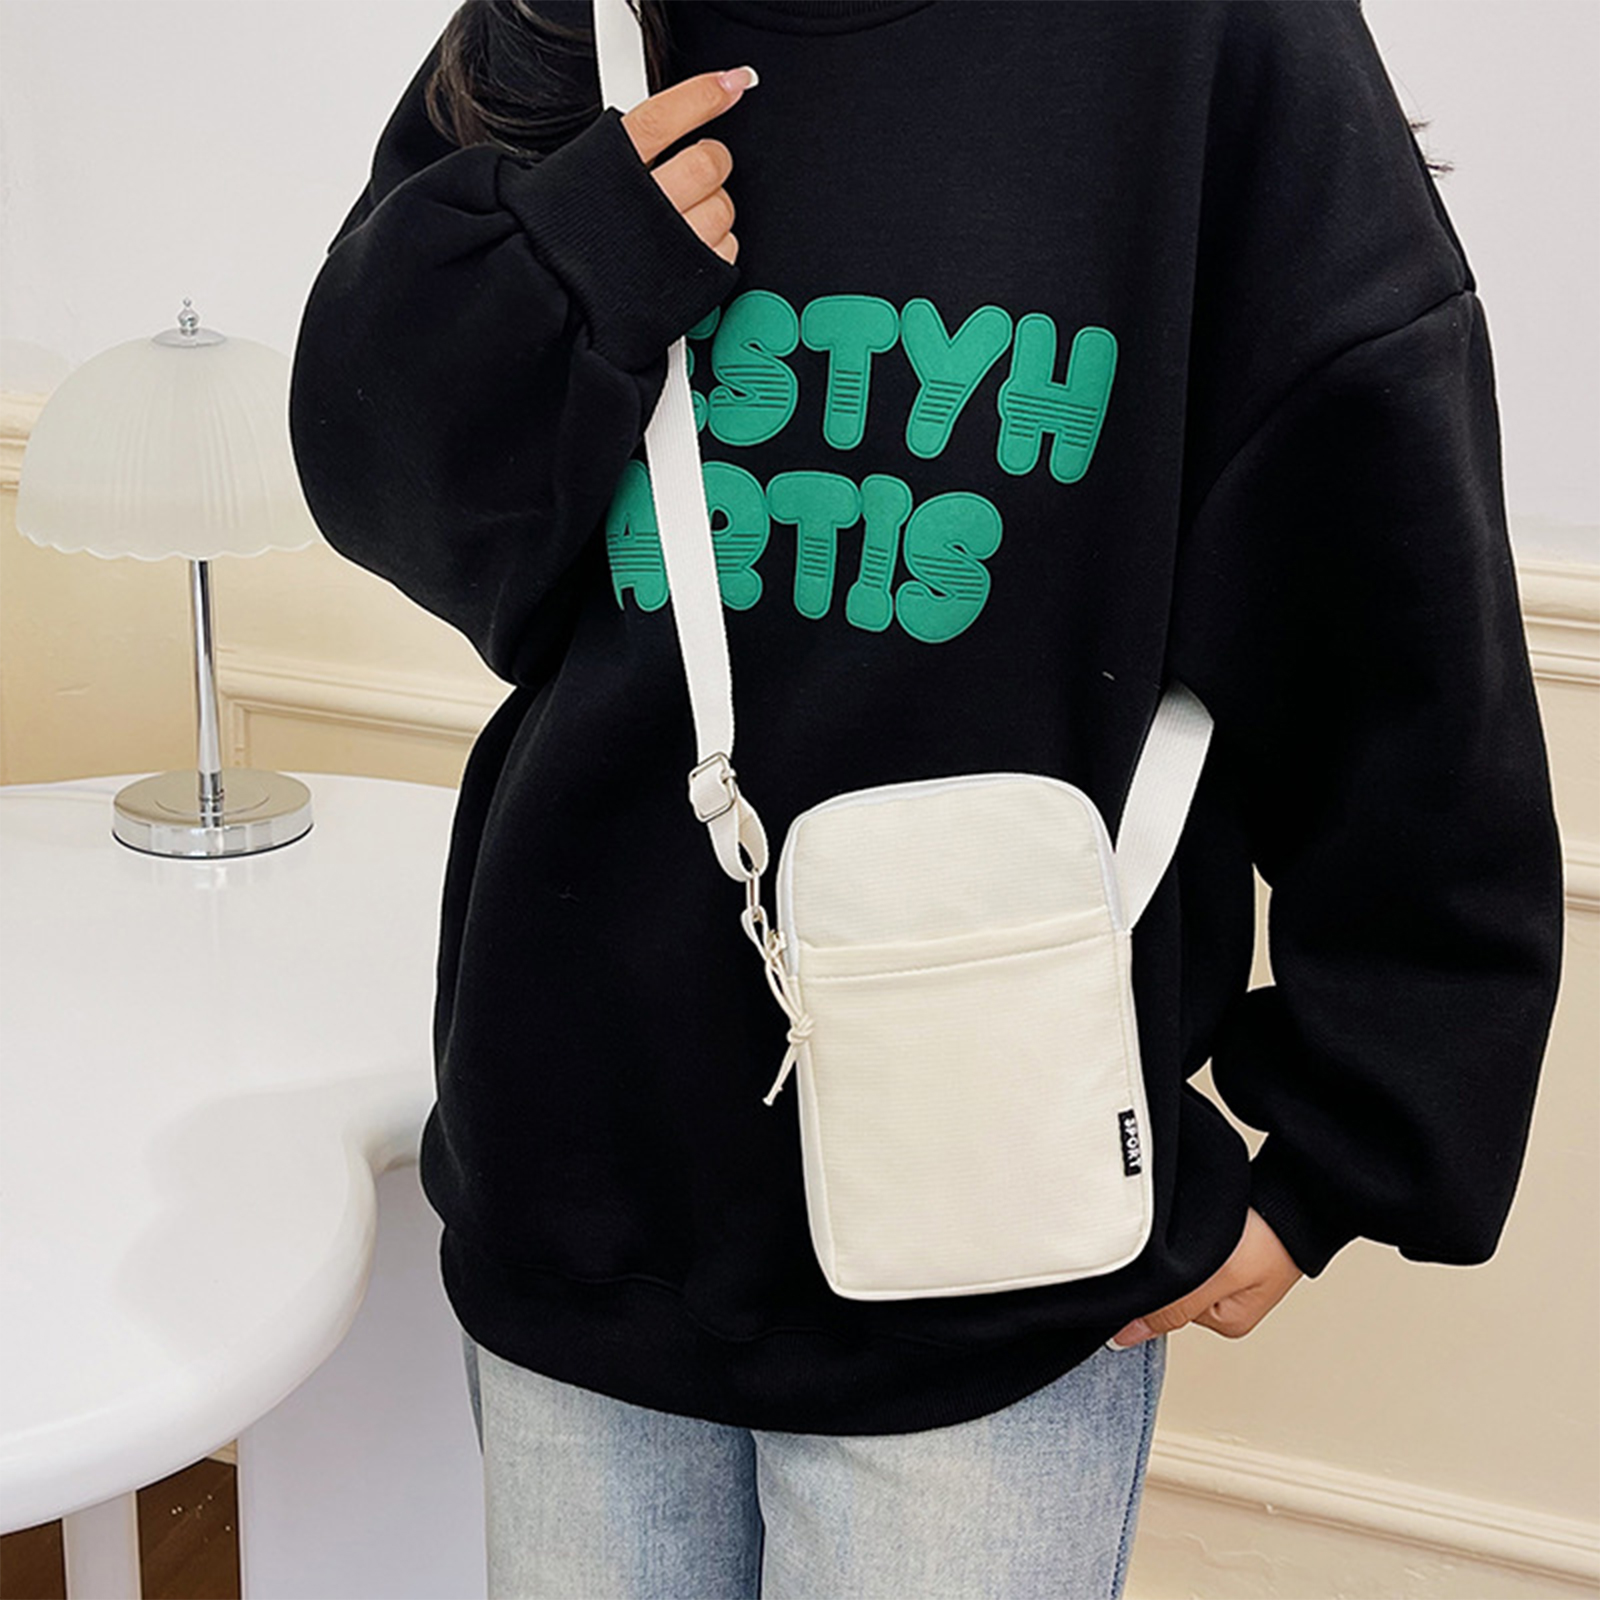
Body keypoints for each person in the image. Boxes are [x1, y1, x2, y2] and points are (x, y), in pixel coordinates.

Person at [287, 2, 1565, 1594]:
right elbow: (388, 485)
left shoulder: (1206, 40)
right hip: (581, 1170)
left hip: (994, 1238)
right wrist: (568, 263)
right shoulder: (584, 19)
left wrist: (1353, 1146)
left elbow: (1384, 581)